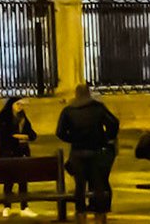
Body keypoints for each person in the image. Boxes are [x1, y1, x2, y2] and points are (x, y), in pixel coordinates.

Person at [54, 83, 119, 224]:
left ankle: (81, 213)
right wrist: (105, 138)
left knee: (80, 185)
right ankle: (100, 214)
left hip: (77, 152)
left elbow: (60, 132)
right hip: (96, 151)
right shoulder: (98, 108)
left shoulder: (69, 110)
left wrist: (73, 139)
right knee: (98, 183)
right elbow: (114, 123)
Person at [0, 94, 36, 216]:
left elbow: (31, 133)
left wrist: (27, 136)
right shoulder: (4, 117)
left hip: (21, 153)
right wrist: (18, 137)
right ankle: (7, 206)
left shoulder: (23, 117)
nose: (20, 107)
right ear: (12, 105)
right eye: (18, 104)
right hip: (9, 153)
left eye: (21, 104)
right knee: (9, 180)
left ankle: (24, 206)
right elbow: (3, 135)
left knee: (23, 180)